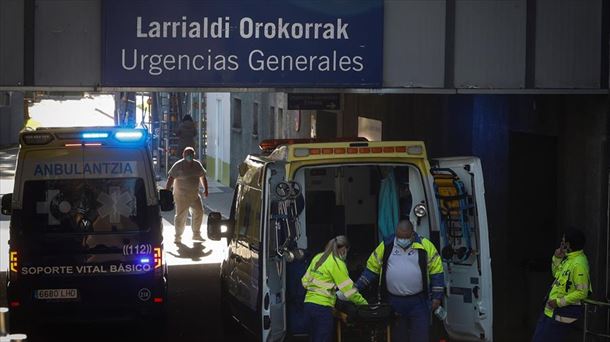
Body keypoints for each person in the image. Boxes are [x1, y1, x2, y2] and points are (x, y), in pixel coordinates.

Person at [356, 219, 444, 342]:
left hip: (419, 301)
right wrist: (356, 288)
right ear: (396, 234)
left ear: (412, 234)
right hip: (394, 301)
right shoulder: (387, 245)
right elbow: (371, 270)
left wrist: (437, 297)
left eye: (406, 237)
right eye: (399, 237)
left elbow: (437, 272)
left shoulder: (425, 246)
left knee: (421, 336)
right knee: (397, 337)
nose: (402, 240)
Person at [301, 235, 367, 342]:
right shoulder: (337, 263)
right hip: (322, 310)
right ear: (344, 249)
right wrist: (364, 304)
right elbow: (349, 290)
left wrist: (325, 287)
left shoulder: (318, 258)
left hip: (308, 306)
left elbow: (304, 281)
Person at [532, 228, 590, 342]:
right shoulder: (569, 258)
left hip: (560, 313)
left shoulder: (579, 263)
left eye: (563, 241)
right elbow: (556, 275)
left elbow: (582, 293)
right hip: (550, 311)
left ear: (568, 244)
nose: (561, 243)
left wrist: (558, 303)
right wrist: (557, 258)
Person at [165, 147, 208, 244]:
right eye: (187, 153)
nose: (189, 155)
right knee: (181, 216)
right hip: (181, 196)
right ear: (183, 154)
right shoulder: (178, 165)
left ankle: (196, 234)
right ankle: (178, 236)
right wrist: (166, 191)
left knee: (199, 212)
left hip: (194, 195)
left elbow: (202, 177)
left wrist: (206, 189)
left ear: (194, 155)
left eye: (191, 153)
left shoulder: (197, 165)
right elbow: (171, 178)